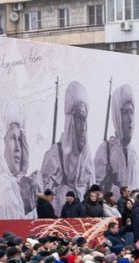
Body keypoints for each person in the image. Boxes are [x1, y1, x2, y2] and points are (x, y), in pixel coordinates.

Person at [41, 80, 94, 215]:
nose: (82, 127)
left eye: (84, 120)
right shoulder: (55, 154)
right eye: (78, 119)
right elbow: (46, 195)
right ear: (70, 121)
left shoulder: (87, 158)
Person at [94, 84, 138, 200]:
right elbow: (96, 187)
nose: (129, 119)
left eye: (131, 112)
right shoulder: (106, 150)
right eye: (125, 113)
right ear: (118, 116)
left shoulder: (133, 153)